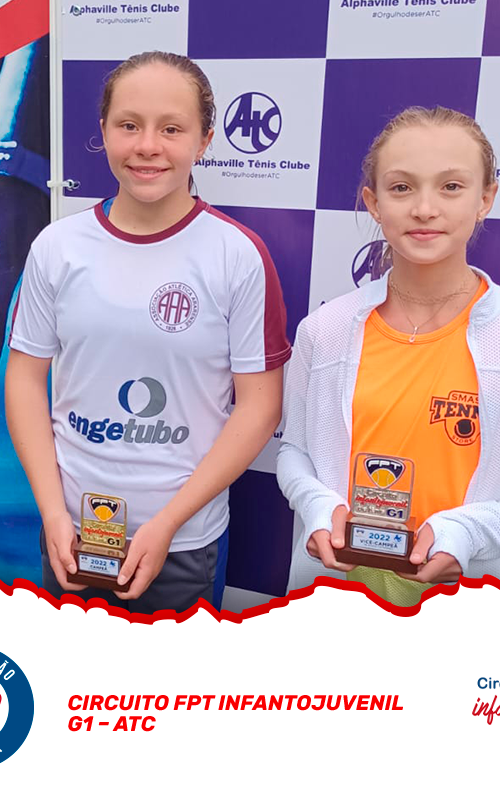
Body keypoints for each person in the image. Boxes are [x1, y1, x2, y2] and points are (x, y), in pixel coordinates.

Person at [5, 51, 291, 614]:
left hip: (182, 543)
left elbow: (260, 407)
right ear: (104, 132)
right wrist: (54, 514)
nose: (147, 146)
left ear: (205, 141)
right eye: (129, 125)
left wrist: (168, 524)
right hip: (70, 536)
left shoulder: (237, 255)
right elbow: (24, 380)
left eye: (172, 129)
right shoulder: (57, 247)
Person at [277, 106, 500, 607]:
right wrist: (318, 507)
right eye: (402, 188)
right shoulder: (325, 330)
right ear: (373, 203)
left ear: (485, 198)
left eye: (451, 186)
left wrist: (469, 533)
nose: (424, 208)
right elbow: (294, 452)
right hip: (336, 600)